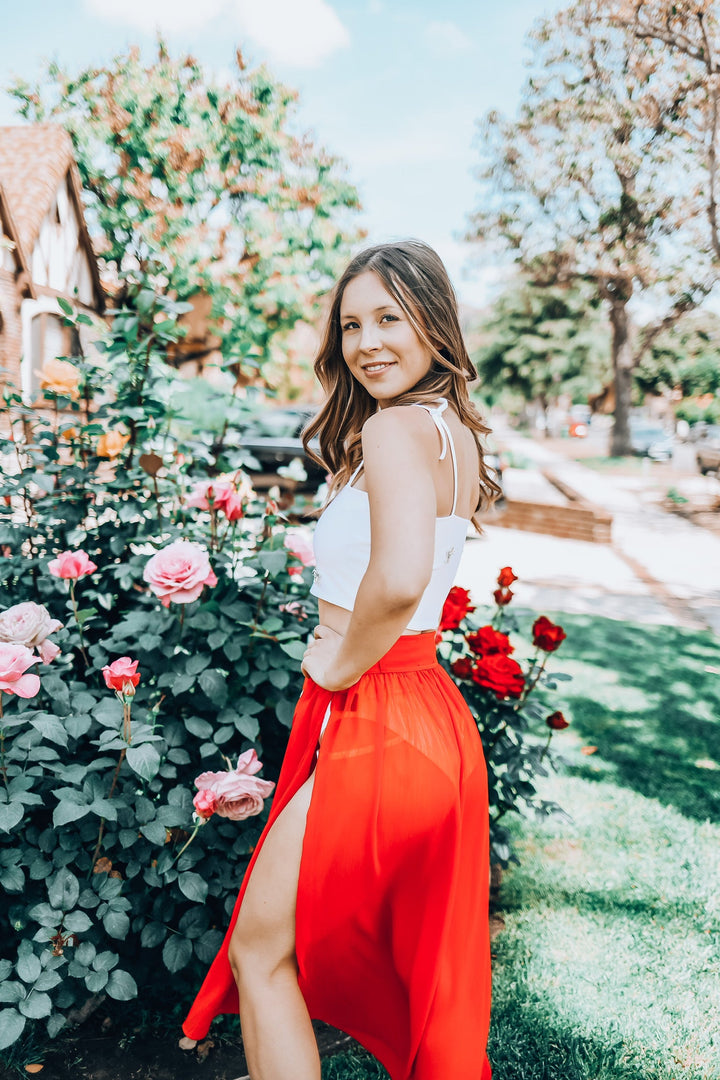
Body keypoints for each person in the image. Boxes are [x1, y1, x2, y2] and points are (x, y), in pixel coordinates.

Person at [181, 240, 500, 1079]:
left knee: (259, 947)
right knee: (325, 948)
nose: (367, 342)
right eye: (351, 324)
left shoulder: (397, 427)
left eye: (389, 317)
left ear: (434, 321)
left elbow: (398, 581)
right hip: (422, 716)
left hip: (386, 710)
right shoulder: (448, 431)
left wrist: (332, 668)